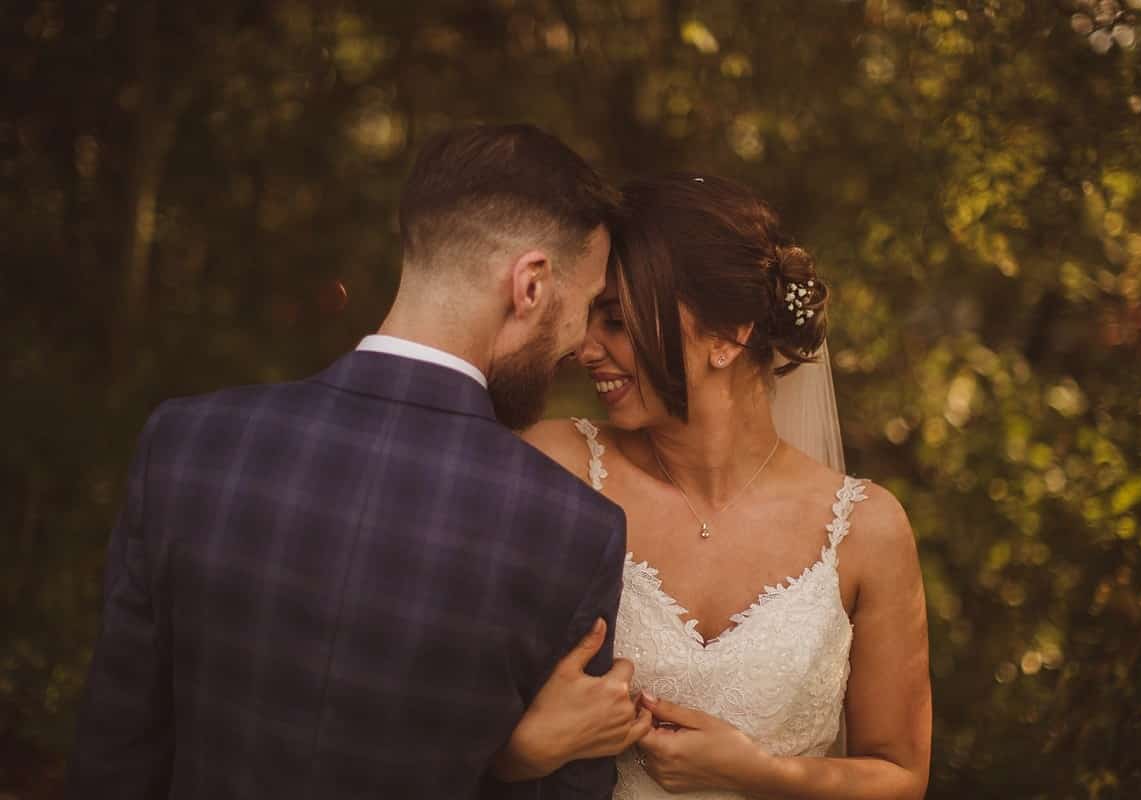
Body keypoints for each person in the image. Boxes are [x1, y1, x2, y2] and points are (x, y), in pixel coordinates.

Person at [67, 124, 652, 799]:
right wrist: (516, 761)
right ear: (530, 286)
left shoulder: (187, 445)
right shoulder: (573, 529)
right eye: (584, 307)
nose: (578, 344)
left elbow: (114, 749)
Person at [496, 175, 932, 799]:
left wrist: (757, 773)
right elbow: (444, 701)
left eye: (616, 321)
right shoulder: (552, 468)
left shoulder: (868, 531)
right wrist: (523, 747)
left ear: (728, 336)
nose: (585, 348)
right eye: (590, 318)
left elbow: (901, 778)